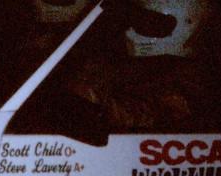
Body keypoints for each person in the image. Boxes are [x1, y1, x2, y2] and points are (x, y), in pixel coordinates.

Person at [67, 0, 212, 132]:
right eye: (137, 21)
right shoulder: (138, 66)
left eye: (149, 24)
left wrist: (89, 98)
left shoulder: (188, 82)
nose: (131, 32)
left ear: (185, 27)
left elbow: (137, 116)